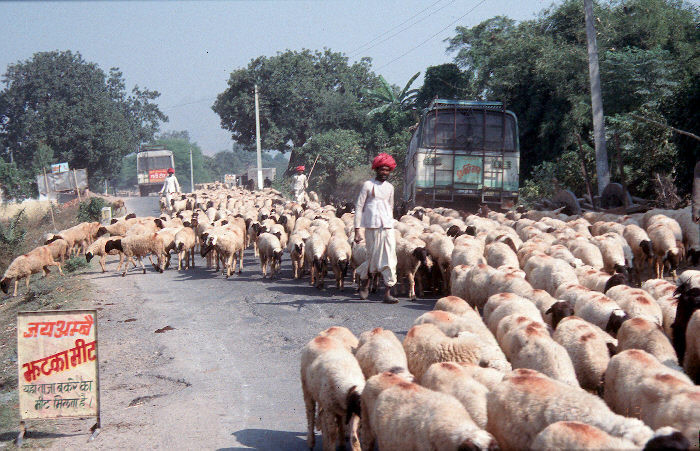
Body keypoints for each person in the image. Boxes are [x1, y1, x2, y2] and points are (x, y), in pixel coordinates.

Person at [354, 153, 399, 303]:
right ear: (376, 169)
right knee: (372, 257)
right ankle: (365, 284)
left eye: (387, 170)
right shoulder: (368, 185)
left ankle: (387, 292)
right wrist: (357, 230)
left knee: (390, 258)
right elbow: (359, 207)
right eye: (382, 169)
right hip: (371, 226)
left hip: (387, 227)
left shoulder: (390, 188)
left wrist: (391, 223)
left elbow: (390, 207)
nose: (384, 172)